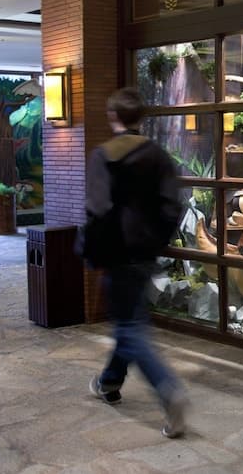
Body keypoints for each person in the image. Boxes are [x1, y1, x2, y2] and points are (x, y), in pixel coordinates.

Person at [81, 87, 189, 438]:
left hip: (117, 253)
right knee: (130, 320)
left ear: (112, 116)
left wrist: (92, 249)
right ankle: (109, 381)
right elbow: (172, 206)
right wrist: (156, 240)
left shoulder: (103, 156)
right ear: (141, 118)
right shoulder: (158, 155)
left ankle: (168, 388)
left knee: (128, 326)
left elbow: (97, 209)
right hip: (145, 253)